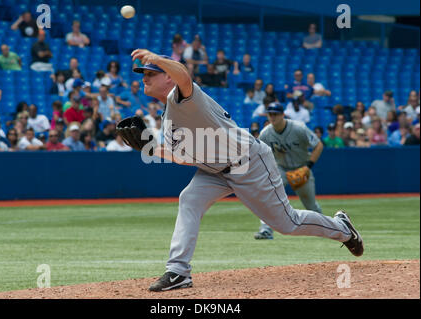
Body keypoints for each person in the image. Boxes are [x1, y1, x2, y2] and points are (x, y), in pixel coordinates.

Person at [127, 49, 363, 292]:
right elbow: (185, 158)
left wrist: (156, 58)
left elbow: (185, 76)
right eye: (144, 73)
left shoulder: (183, 96)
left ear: (168, 77)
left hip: (248, 163)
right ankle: (178, 271)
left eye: (151, 73)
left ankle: (342, 228)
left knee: (287, 223)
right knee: (189, 199)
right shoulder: (169, 118)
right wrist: (152, 149)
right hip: (215, 170)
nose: (144, 77)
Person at [253, 102, 324, 240]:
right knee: (268, 197)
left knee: (311, 206)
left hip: (301, 167)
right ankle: (266, 230)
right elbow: (259, 154)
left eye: (275, 114)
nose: (272, 117)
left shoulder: (298, 128)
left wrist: (308, 166)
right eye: (270, 114)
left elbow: (318, 145)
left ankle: (326, 227)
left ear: (282, 115)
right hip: (281, 169)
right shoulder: (266, 133)